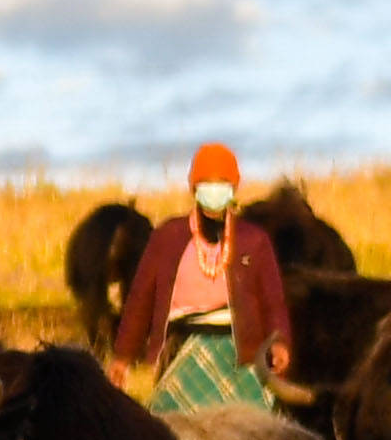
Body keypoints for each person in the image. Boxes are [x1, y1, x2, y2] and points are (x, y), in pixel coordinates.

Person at [113, 140, 294, 414]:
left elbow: (273, 301)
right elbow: (140, 299)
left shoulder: (254, 241)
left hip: (241, 356)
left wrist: (280, 342)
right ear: (193, 188)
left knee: (251, 434)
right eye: (207, 183)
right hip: (182, 351)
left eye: (222, 183)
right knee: (172, 432)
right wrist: (123, 357)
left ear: (234, 188)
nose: (214, 191)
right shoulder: (168, 237)